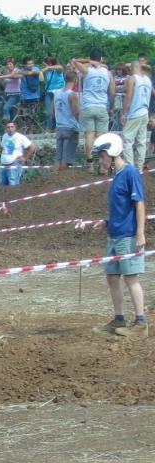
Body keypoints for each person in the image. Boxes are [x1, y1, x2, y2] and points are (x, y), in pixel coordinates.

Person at [91, 133, 147, 337]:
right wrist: (106, 223)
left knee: (131, 277)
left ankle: (141, 322)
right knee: (112, 277)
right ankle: (119, 319)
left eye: (102, 155)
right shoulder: (116, 176)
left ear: (112, 153)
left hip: (128, 236)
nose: (101, 160)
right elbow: (120, 208)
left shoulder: (130, 173)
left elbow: (139, 204)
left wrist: (140, 233)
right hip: (114, 236)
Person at [71, 50, 114, 166]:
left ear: (91, 59)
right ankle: (102, 163)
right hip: (102, 107)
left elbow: (74, 61)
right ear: (102, 59)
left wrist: (89, 62)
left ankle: (89, 161)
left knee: (89, 135)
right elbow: (112, 91)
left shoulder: (87, 70)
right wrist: (112, 106)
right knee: (101, 136)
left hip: (88, 106)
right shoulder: (108, 73)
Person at [120, 62, 152, 172]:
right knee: (141, 141)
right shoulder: (148, 79)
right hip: (145, 112)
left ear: (133, 68)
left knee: (127, 140)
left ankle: (129, 167)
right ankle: (139, 168)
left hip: (134, 113)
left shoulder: (133, 78)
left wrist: (123, 113)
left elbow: (128, 96)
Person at [51, 72, 81, 170]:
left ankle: (54, 177)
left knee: (58, 158)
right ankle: (63, 179)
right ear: (75, 80)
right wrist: (81, 124)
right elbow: (76, 113)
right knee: (66, 159)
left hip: (59, 127)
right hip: (70, 127)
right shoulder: (72, 94)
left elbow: (52, 111)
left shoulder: (56, 93)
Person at [0, 121, 35, 186]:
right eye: (8, 127)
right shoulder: (4, 136)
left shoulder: (20, 137)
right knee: (1, 184)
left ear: (15, 128)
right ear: (6, 129)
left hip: (15, 163)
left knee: (13, 184)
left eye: (12, 127)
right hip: (3, 164)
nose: (10, 129)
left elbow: (32, 147)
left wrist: (25, 158)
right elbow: (3, 147)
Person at [40, 57, 65, 131]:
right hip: (49, 92)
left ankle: (58, 127)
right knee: (48, 111)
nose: (43, 65)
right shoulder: (45, 70)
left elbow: (60, 67)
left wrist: (48, 68)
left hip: (58, 91)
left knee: (57, 110)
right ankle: (48, 128)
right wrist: (42, 72)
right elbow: (41, 79)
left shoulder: (57, 69)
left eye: (45, 63)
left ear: (49, 63)